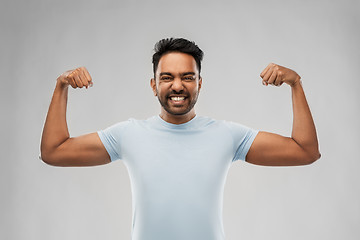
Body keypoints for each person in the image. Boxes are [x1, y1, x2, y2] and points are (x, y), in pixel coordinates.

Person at [40, 38, 321, 240]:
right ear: (154, 85)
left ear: (200, 83)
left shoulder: (227, 135)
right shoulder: (128, 134)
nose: (177, 86)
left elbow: (305, 151)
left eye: (187, 77)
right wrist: (60, 86)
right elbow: (54, 152)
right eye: (167, 77)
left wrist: (295, 84)